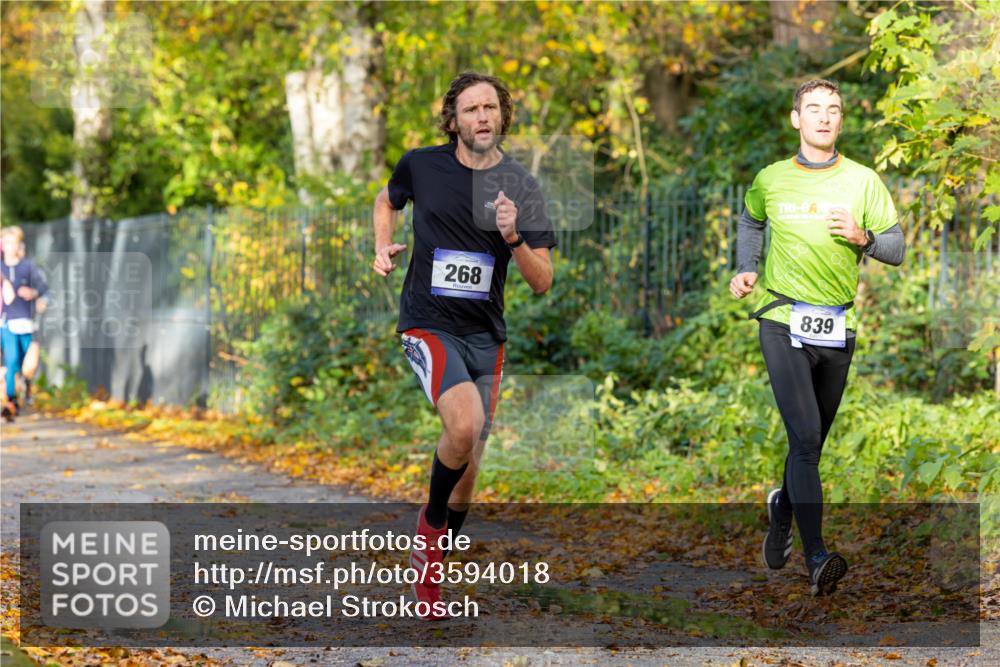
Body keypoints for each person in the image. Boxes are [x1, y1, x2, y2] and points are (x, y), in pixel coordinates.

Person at [372, 71, 555, 619]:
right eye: (471, 109)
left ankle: (433, 566)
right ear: (453, 121)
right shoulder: (420, 165)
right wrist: (382, 246)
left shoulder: (520, 185)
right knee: (464, 424)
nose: (482, 116)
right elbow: (386, 201)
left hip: (485, 335)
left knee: (468, 473)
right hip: (428, 323)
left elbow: (542, 280)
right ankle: (428, 533)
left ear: (502, 117)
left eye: (490, 108)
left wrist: (513, 238)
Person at [729, 79, 905, 596]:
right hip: (781, 319)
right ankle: (817, 558)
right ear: (796, 119)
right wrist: (746, 267)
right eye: (813, 109)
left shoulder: (863, 181)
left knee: (810, 446)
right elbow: (750, 222)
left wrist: (863, 238)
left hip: (836, 326)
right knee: (805, 440)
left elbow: (896, 249)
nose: (824, 117)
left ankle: (782, 509)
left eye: (833, 109)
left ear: (841, 120)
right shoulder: (771, 178)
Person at [1, 226, 49, 421]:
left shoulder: (28, 267)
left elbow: (44, 289)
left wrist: (35, 294)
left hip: (26, 322)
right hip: (6, 322)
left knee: (23, 364)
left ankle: (22, 388)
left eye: (14, 243)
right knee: (11, 360)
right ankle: (11, 401)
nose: (10, 247)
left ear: (19, 244)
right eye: (7, 243)